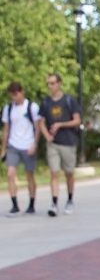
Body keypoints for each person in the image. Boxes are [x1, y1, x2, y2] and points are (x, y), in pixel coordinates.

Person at [40, 73, 81, 217]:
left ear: (59, 84)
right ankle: (54, 203)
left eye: (52, 83)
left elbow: (77, 121)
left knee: (69, 173)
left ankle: (70, 199)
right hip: (53, 143)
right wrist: (47, 136)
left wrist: (61, 124)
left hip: (68, 142)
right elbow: (41, 122)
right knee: (54, 172)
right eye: (48, 83)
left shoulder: (69, 101)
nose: (50, 86)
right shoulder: (45, 102)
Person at [1, 82, 41, 216]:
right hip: (13, 145)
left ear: (22, 92)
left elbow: (38, 127)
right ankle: (14, 204)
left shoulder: (32, 107)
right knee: (10, 174)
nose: (14, 97)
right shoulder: (8, 109)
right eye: (12, 95)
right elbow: (6, 129)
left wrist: (35, 143)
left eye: (16, 94)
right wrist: (3, 148)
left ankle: (31, 204)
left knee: (29, 174)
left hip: (28, 144)